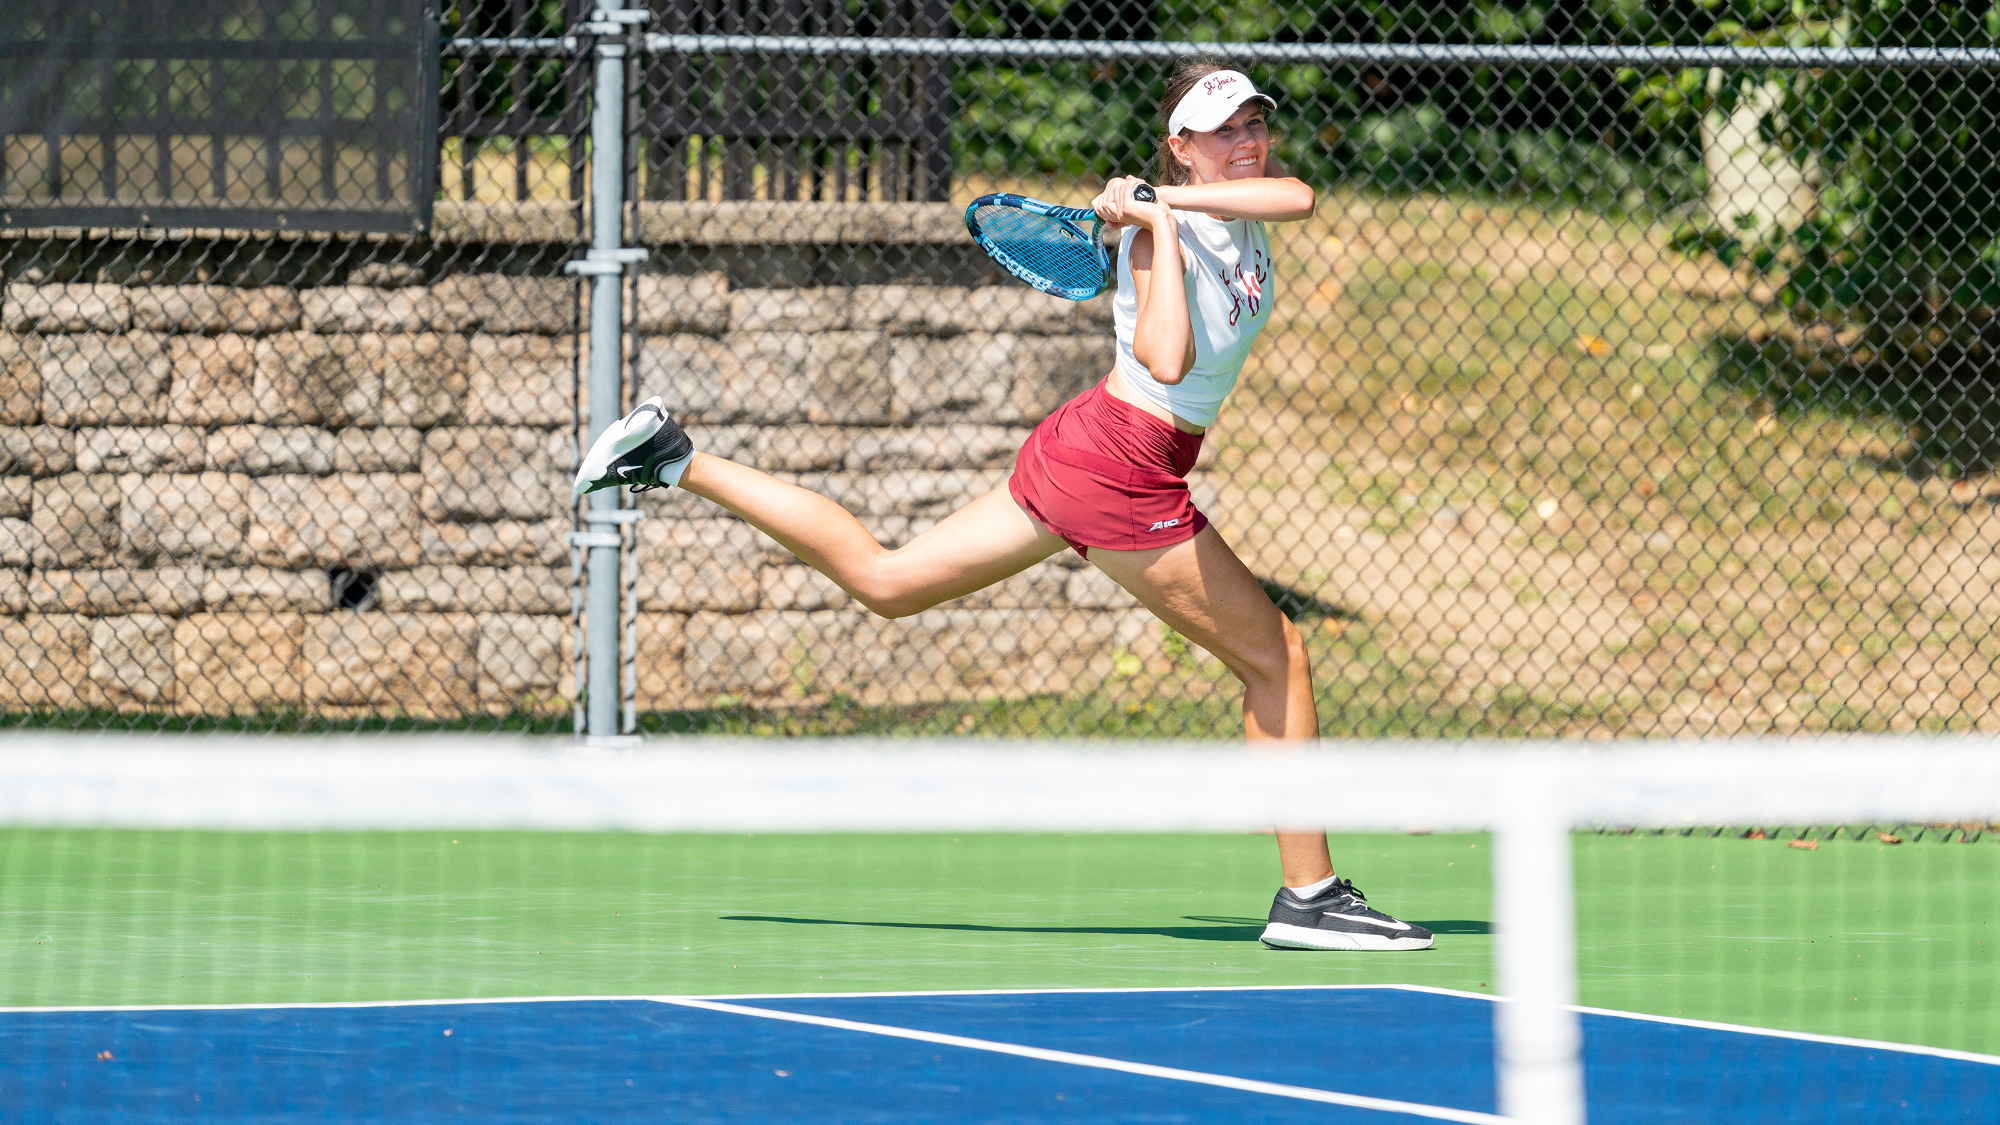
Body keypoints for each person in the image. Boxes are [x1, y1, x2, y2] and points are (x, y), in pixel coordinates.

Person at [574, 56, 1433, 952]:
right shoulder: (1152, 240)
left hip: (1093, 447)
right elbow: (1170, 361)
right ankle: (1310, 896)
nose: (1247, 141)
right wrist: (1156, 230)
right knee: (1276, 656)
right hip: (1121, 466)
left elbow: (1298, 197)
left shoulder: (1221, 203)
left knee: (889, 581)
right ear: (1181, 145)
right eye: (1224, 131)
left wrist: (1165, 203)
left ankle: (672, 457)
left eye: (1253, 122)